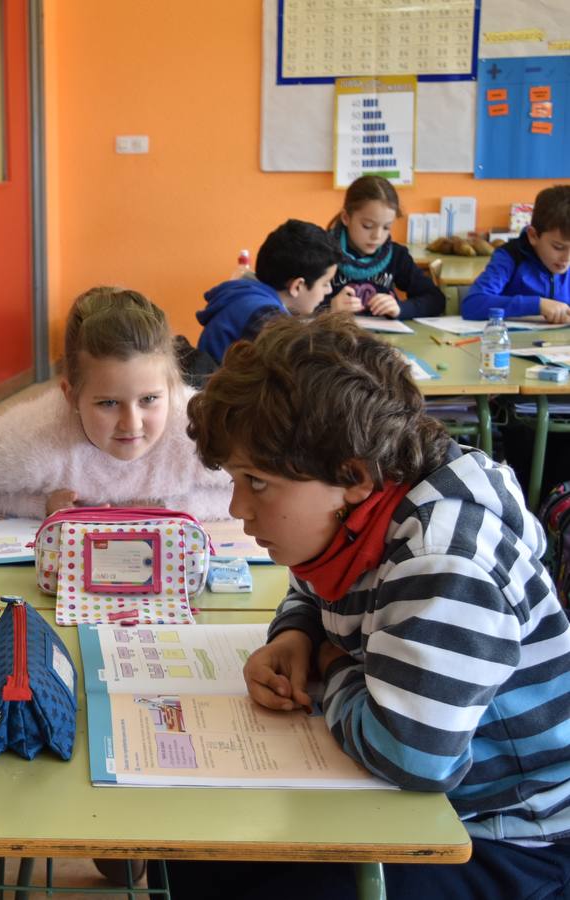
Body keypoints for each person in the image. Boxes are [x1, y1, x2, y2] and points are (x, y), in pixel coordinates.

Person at [161, 313, 570, 899]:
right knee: (201, 852)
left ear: (351, 475)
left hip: (509, 834)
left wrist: (330, 666)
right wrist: (296, 637)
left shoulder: (444, 563)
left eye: (255, 482)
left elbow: (411, 755)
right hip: (438, 802)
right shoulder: (369, 513)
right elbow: (317, 588)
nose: (238, 508)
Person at [0, 287, 231, 521]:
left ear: (171, 388)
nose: (131, 423)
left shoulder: (195, 429)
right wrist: (40, 505)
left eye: (149, 400)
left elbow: (255, 487)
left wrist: (175, 506)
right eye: (108, 403)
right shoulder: (35, 438)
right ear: (71, 396)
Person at [196, 219, 340, 363]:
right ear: (297, 286)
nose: (329, 290)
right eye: (325, 283)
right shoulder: (265, 317)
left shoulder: (246, 296)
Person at [322, 174, 445, 319]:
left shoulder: (396, 255)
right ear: (346, 218)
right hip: (334, 337)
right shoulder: (322, 251)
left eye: (386, 227)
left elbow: (435, 300)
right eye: (367, 226)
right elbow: (295, 303)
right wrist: (330, 308)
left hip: (383, 338)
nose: (377, 236)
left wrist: (400, 308)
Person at [463, 184, 570, 323]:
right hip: (515, 342)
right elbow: (472, 304)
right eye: (558, 247)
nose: (567, 258)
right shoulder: (510, 256)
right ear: (533, 236)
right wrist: (537, 305)